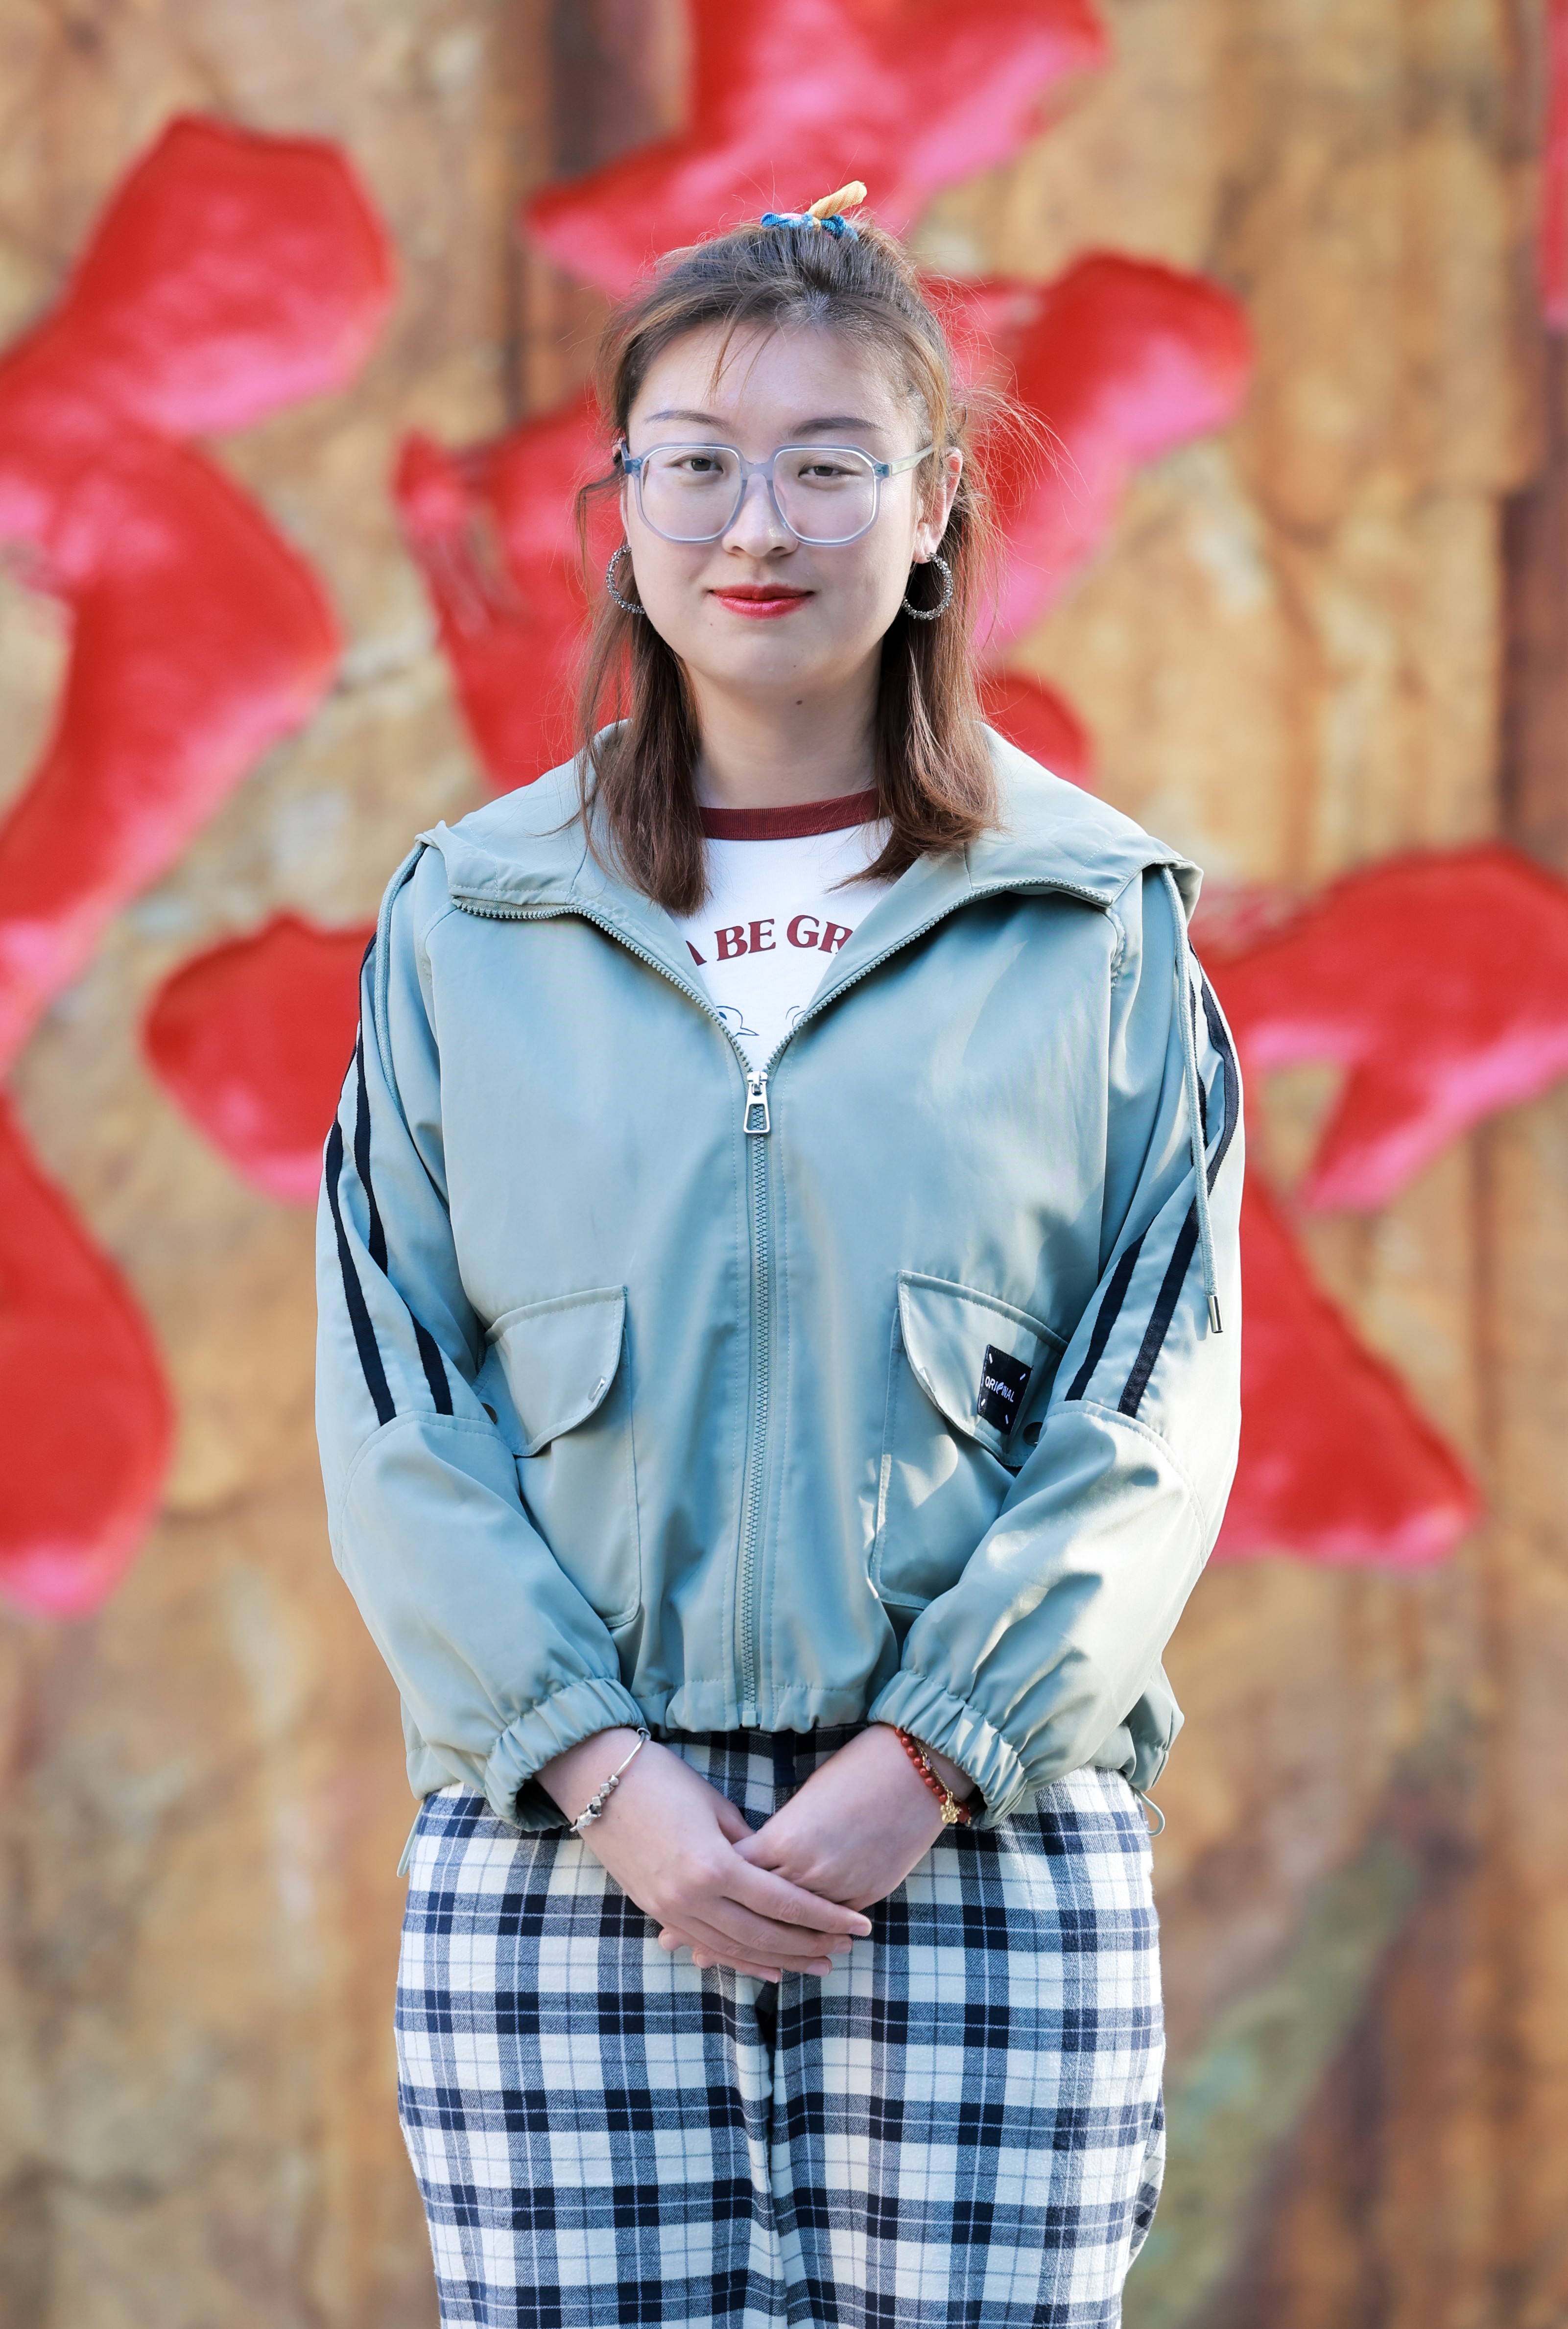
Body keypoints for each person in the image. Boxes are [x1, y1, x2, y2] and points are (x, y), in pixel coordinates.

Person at [316, 183, 1243, 2329]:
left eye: (832, 464)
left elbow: (1156, 1403)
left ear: (932, 510)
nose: (761, 523)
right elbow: (393, 1393)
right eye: (699, 463)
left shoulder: (1093, 921)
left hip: (980, 1846)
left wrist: (927, 1756)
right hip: (565, 1859)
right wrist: (603, 1770)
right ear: (622, 510)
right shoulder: (469, 918)